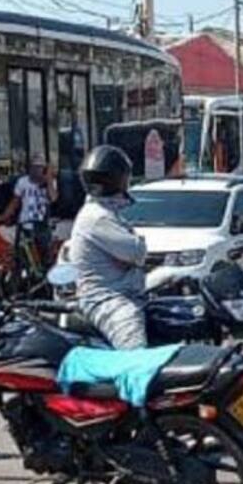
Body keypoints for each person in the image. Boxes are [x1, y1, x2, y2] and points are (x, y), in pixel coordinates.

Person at [70, 146, 148, 349]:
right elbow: (137, 251)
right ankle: (135, 368)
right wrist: (134, 252)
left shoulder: (104, 211)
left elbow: (132, 255)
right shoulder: (98, 216)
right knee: (134, 343)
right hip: (107, 298)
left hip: (122, 290)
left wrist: (130, 260)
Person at [0, 154, 57, 264]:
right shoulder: (23, 182)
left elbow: (53, 198)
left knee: (45, 255)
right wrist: (4, 216)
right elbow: (15, 202)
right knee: (24, 255)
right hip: (25, 223)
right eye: (34, 167)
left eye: (40, 167)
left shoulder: (49, 183)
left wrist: (48, 179)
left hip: (42, 224)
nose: (36, 171)